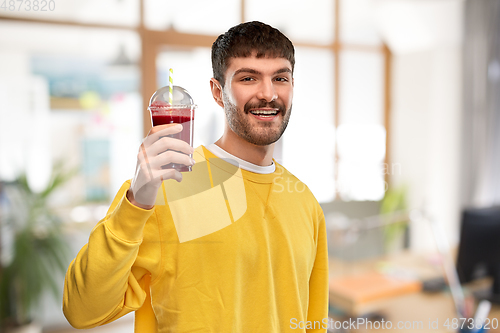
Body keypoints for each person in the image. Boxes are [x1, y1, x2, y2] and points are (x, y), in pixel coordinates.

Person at [63, 21, 329, 333]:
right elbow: (82, 310)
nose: (268, 94)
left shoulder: (305, 202)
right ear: (218, 92)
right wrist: (136, 201)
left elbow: (314, 323)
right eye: (248, 78)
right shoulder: (163, 188)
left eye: (280, 78)